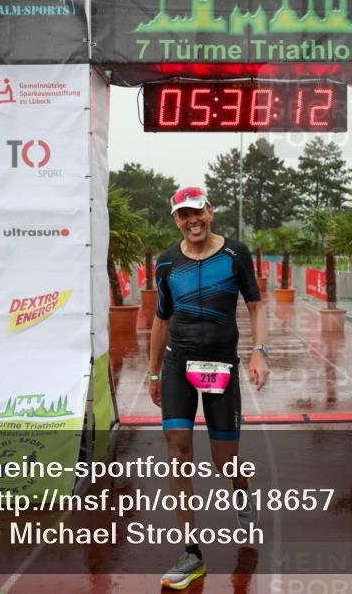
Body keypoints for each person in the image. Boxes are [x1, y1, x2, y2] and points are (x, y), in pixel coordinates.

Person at [148, 185, 270, 590]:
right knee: (177, 450)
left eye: (197, 211)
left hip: (220, 366)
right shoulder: (167, 263)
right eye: (183, 215)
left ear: (210, 211)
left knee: (224, 462)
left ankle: (242, 492)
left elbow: (255, 304)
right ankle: (191, 551)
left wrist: (259, 352)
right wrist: (152, 373)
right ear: (176, 220)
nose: (192, 220)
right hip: (178, 363)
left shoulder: (236, 254)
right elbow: (161, 320)